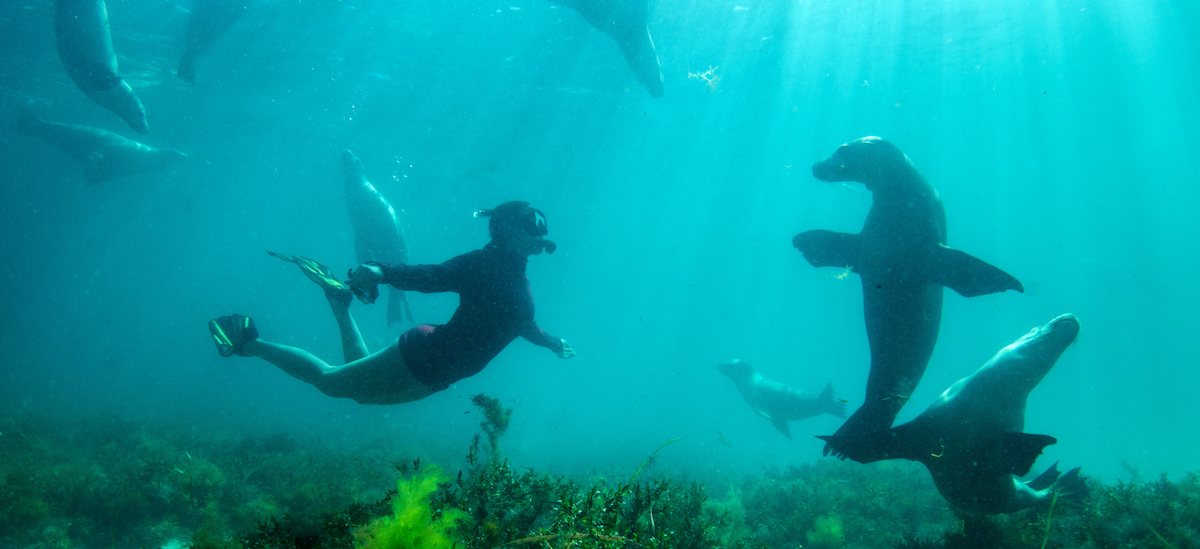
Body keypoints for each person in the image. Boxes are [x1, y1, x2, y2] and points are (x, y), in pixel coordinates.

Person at [208, 201, 575, 404]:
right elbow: (431, 276)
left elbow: (521, 323)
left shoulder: (517, 275)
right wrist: (380, 270)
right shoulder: (485, 264)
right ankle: (248, 342)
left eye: (541, 224)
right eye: (532, 223)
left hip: (441, 372)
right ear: (508, 229)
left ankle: (338, 302)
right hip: (427, 355)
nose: (541, 231)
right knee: (330, 382)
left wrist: (551, 342)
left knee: (357, 392)